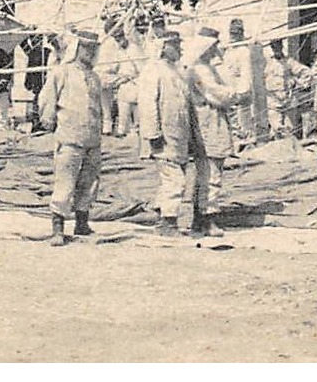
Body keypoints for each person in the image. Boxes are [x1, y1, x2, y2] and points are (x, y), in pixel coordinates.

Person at [37, 27, 105, 246]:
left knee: (89, 183)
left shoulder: (94, 77)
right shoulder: (61, 72)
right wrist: (48, 119)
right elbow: (47, 98)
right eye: (86, 48)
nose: (90, 52)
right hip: (69, 138)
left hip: (92, 139)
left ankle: (82, 224)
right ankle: (58, 228)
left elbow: (99, 108)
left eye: (93, 49)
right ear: (77, 48)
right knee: (65, 183)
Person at [136, 30, 207, 237]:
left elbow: (187, 107)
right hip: (163, 136)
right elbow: (148, 104)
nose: (180, 48)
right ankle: (168, 222)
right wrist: (153, 133)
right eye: (175, 45)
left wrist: (193, 136)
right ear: (164, 47)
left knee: (175, 177)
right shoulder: (153, 70)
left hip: (179, 135)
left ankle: (161, 213)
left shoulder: (177, 72)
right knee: (175, 180)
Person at [186, 26, 244, 236]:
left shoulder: (207, 68)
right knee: (211, 174)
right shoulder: (200, 70)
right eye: (213, 46)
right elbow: (216, 94)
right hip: (207, 124)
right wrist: (236, 95)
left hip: (213, 122)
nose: (215, 50)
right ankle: (207, 218)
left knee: (206, 173)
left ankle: (199, 216)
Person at [220, 19, 267, 148]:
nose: (233, 36)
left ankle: (247, 145)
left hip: (240, 91)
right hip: (229, 90)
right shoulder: (229, 50)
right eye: (232, 33)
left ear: (241, 33)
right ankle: (235, 144)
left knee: (244, 120)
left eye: (236, 33)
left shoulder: (244, 51)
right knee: (233, 121)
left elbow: (246, 73)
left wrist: (242, 92)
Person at [96, 13, 144, 137]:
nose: (118, 39)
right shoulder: (115, 48)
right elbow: (113, 66)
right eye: (115, 37)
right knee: (102, 84)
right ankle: (109, 123)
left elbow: (139, 69)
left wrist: (123, 78)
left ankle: (127, 127)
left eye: (119, 36)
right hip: (122, 81)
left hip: (134, 83)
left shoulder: (133, 48)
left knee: (128, 98)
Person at [263, 41, 311, 140]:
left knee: (291, 130)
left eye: (278, 45)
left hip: (288, 100)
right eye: (273, 46)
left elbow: (306, 72)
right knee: (277, 128)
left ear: (281, 46)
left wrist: (297, 83)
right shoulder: (266, 63)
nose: (276, 48)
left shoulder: (289, 62)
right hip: (273, 101)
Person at [11, 32, 51, 133]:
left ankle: (44, 124)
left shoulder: (46, 52)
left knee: (44, 104)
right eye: (34, 42)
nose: (37, 44)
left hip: (45, 82)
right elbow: (22, 45)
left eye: (38, 41)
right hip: (36, 83)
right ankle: (36, 123)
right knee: (36, 104)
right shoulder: (31, 52)